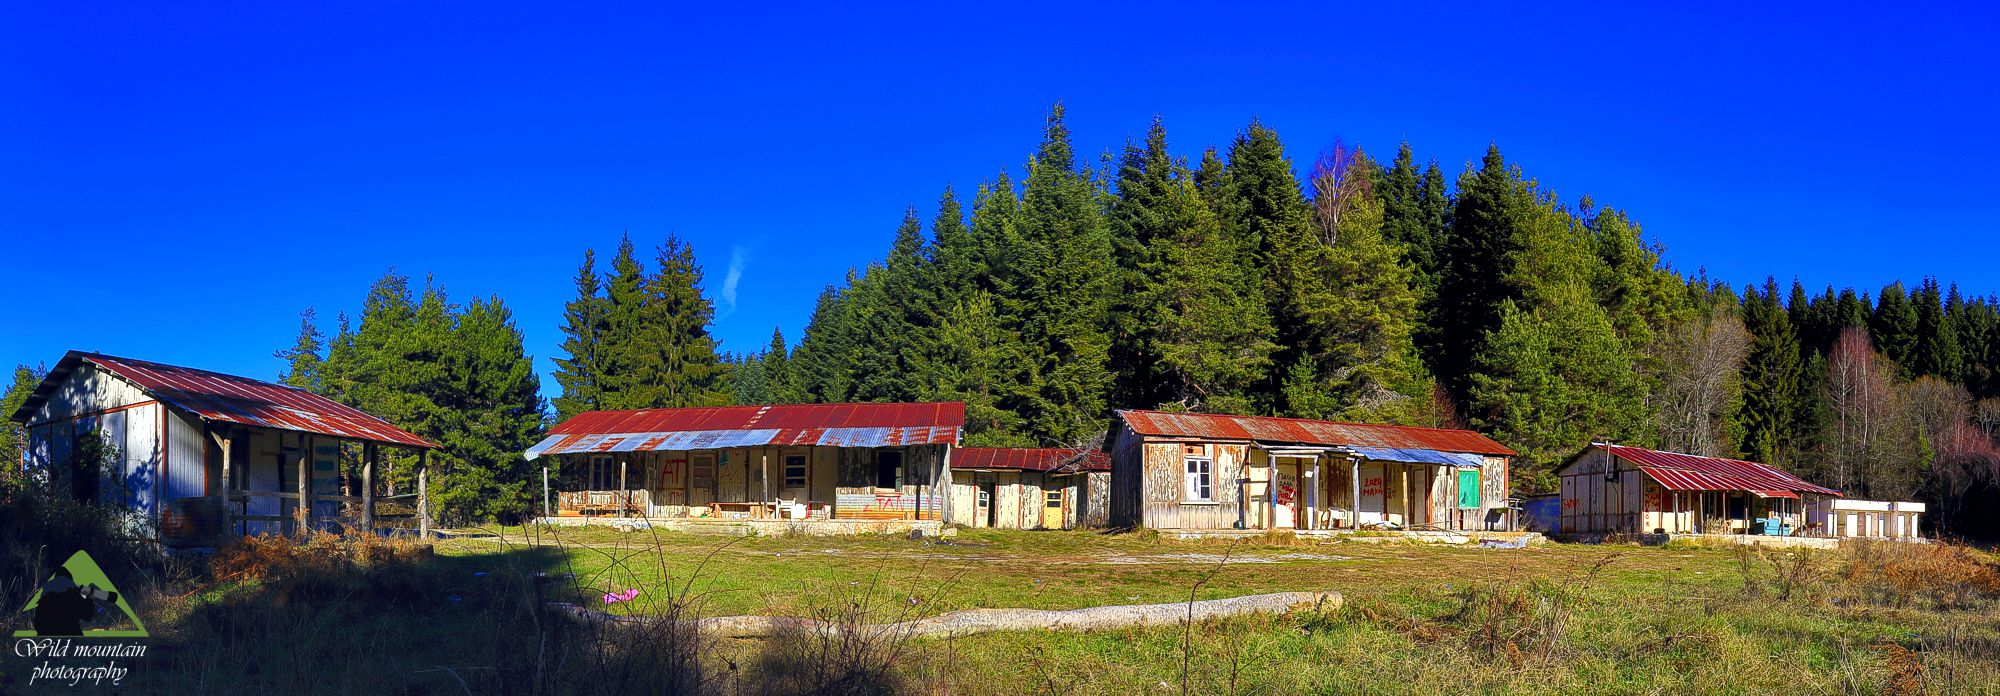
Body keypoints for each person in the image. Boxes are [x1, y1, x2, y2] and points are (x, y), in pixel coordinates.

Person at [30, 567, 114, 636]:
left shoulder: (45, 598)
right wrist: (87, 598)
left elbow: (37, 623)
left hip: (45, 640)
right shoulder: (73, 595)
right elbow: (87, 616)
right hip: (71, 638)